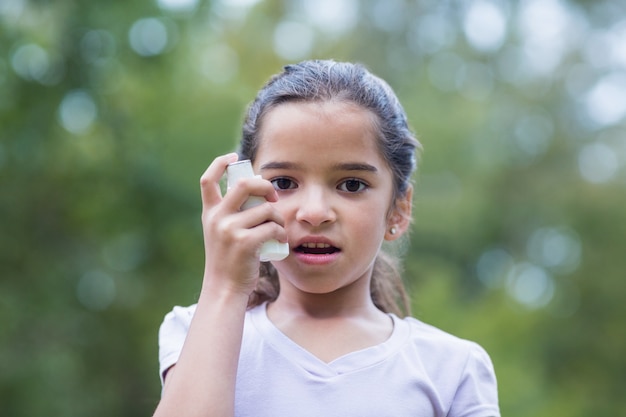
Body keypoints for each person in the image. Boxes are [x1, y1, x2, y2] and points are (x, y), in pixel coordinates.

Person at [153, 60, 500, 417]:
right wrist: (225, 286)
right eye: (284, 183)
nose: (315, 212)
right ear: (245, 194)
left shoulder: (453, 369)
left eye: (351, 184)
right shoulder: (199, 330)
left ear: (398, 209)